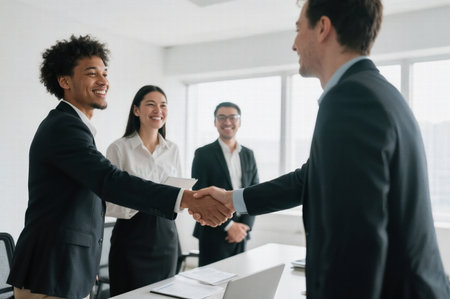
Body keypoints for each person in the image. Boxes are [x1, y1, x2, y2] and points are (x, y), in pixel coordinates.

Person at [194, 0, 450, 298]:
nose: (293, 44)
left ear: (323, 28)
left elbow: (355, 242)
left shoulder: (350, 100)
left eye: (298, 29)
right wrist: (231, 198)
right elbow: (309, 177)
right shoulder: (377, 91)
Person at [7, 35, 232, 299]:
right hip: (51, 270)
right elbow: (110, 181)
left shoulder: (74, 126)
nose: (103, 81)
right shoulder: (64, 127)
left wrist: (87, 260)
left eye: (104, 73)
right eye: (92, 74)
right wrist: (187, 198)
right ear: (64, 81)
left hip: (67, 266)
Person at [104, 85, 184, 296]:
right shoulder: (119, 148)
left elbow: (178, 196)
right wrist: (147, 201)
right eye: (151, 104)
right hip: (131, 238)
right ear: (136, 110)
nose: (158, 110)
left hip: (166, 238)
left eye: (163, 105)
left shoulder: (172, 149)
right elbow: (108, 203)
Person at [192, 102, 259, 266]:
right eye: (221, 117)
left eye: (232, 117)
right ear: (215, 122)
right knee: (211, 286)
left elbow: (255, 193)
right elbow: (198, 194)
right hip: (212, 232)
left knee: (238, 282)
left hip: (241, 234)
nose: (227, 122)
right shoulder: (203, 154)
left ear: (240, 122)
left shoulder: (248, 154)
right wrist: (230, 226)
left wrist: (244, 227)